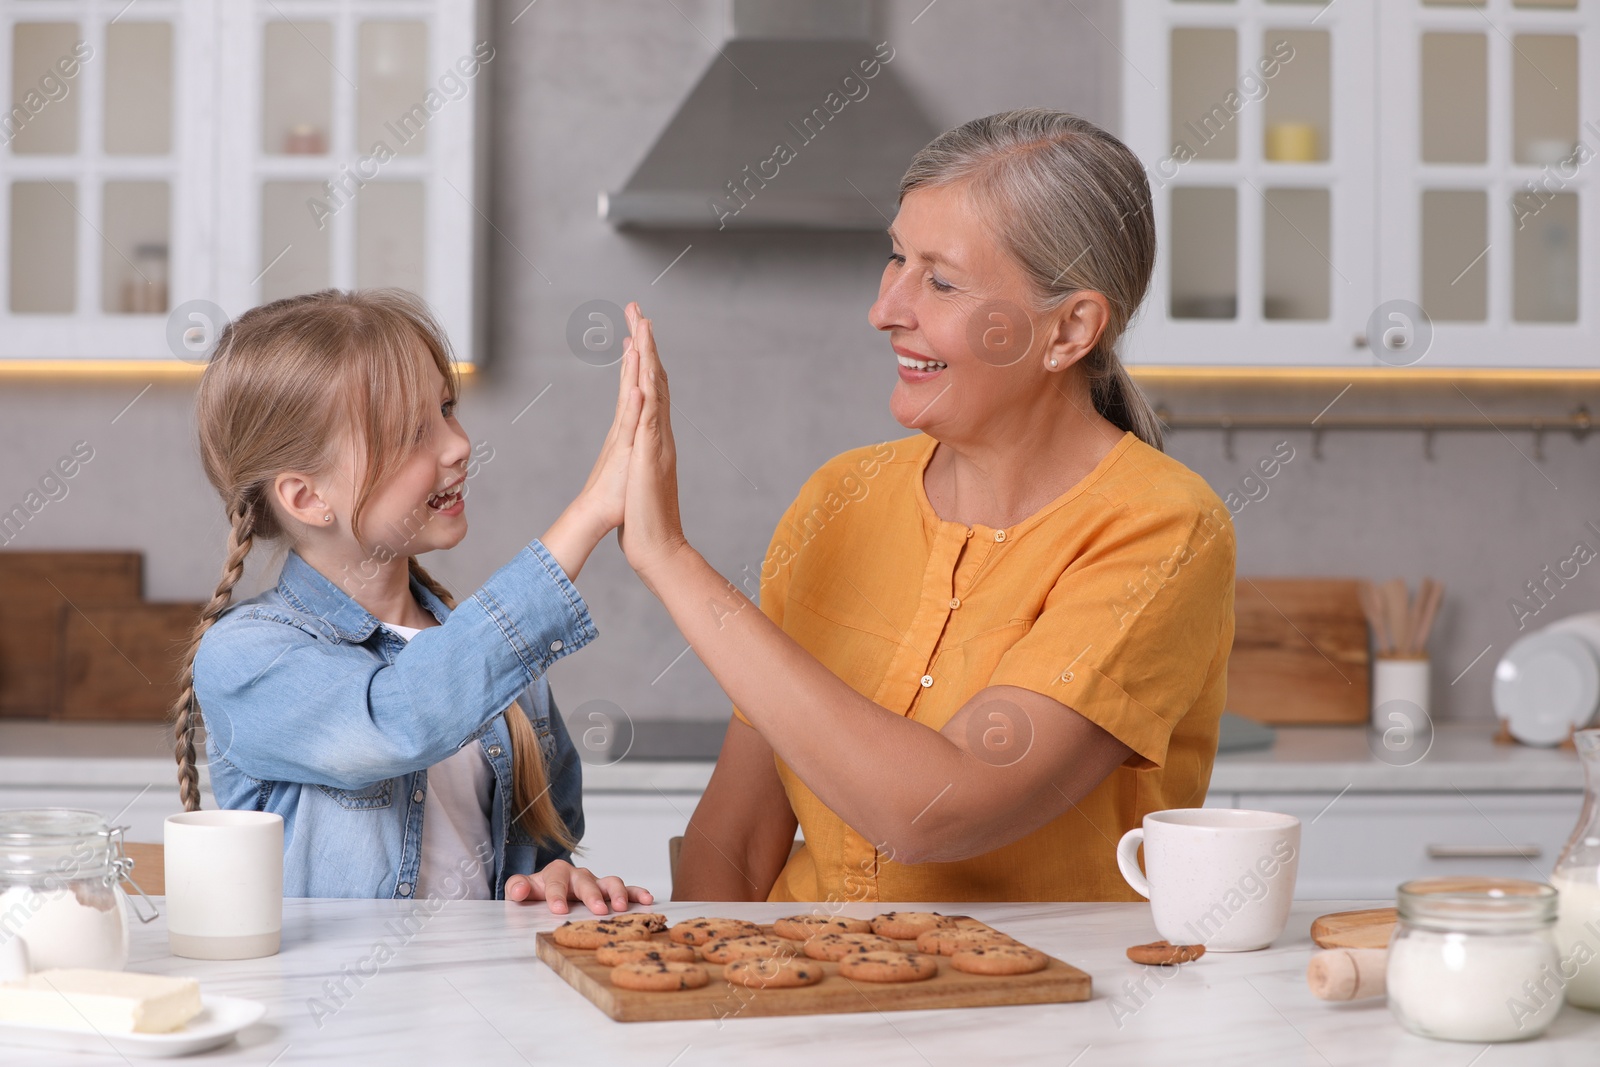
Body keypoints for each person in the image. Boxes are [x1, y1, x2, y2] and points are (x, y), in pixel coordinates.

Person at [616, 108, 1237, 902]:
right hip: (801, 1003)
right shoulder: (841, 497)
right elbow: (735, 837)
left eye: (940, 281)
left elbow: (931, 813)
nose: (886, 309)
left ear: (1070, 328)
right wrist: (710, 1006)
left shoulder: (1161, 529)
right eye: (896, 260)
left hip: (1034, 1016)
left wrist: (670, 560)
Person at [176, 289, 650, 912]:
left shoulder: (502, 662)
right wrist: (587, 517)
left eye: (447, 410)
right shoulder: (246, 657)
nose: (458, 445)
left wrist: (556, 879)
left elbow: (545, 853)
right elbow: (400, 720)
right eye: (410, 433)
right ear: (307, 497)